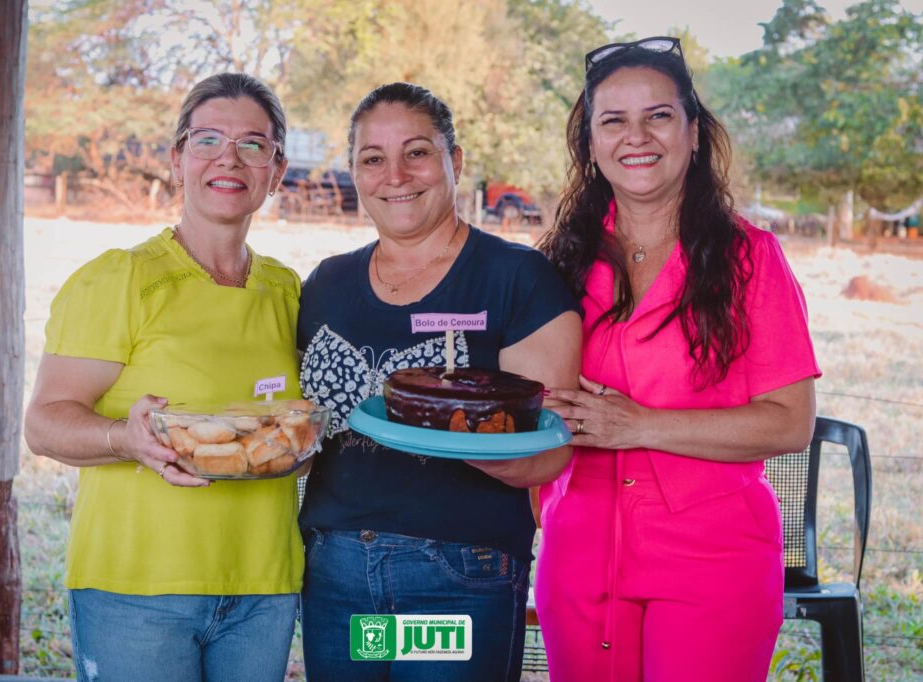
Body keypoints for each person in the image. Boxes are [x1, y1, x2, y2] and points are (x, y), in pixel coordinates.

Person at [533, 37, 821, 681]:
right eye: (613, 120)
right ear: (591, 145)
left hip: (713, 555)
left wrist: (639, 426)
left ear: (694, 133)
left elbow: (789, 422)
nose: (636, 136)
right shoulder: (555, 263)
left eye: (658, 115)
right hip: (580, 550)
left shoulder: (752, 257)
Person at [296, 82, 581, 681]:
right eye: (373, 158)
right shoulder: (327, 284)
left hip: (454, 571)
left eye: (417, 152)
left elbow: (546, 454)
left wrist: (442, 429)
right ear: (354, 172)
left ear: (455, 161)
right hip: (339, 570)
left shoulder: (516, 277)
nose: (395, 174)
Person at [24, 73, 303, 682]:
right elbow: (44, 423)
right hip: (138, 587)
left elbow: (294, 434)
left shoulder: (287, 291)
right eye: (207, 140)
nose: (229, 158)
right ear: (177, 161)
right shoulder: (121, 279)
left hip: (264, 586)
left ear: (277, 170)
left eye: (253, 144)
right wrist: (123, 439)